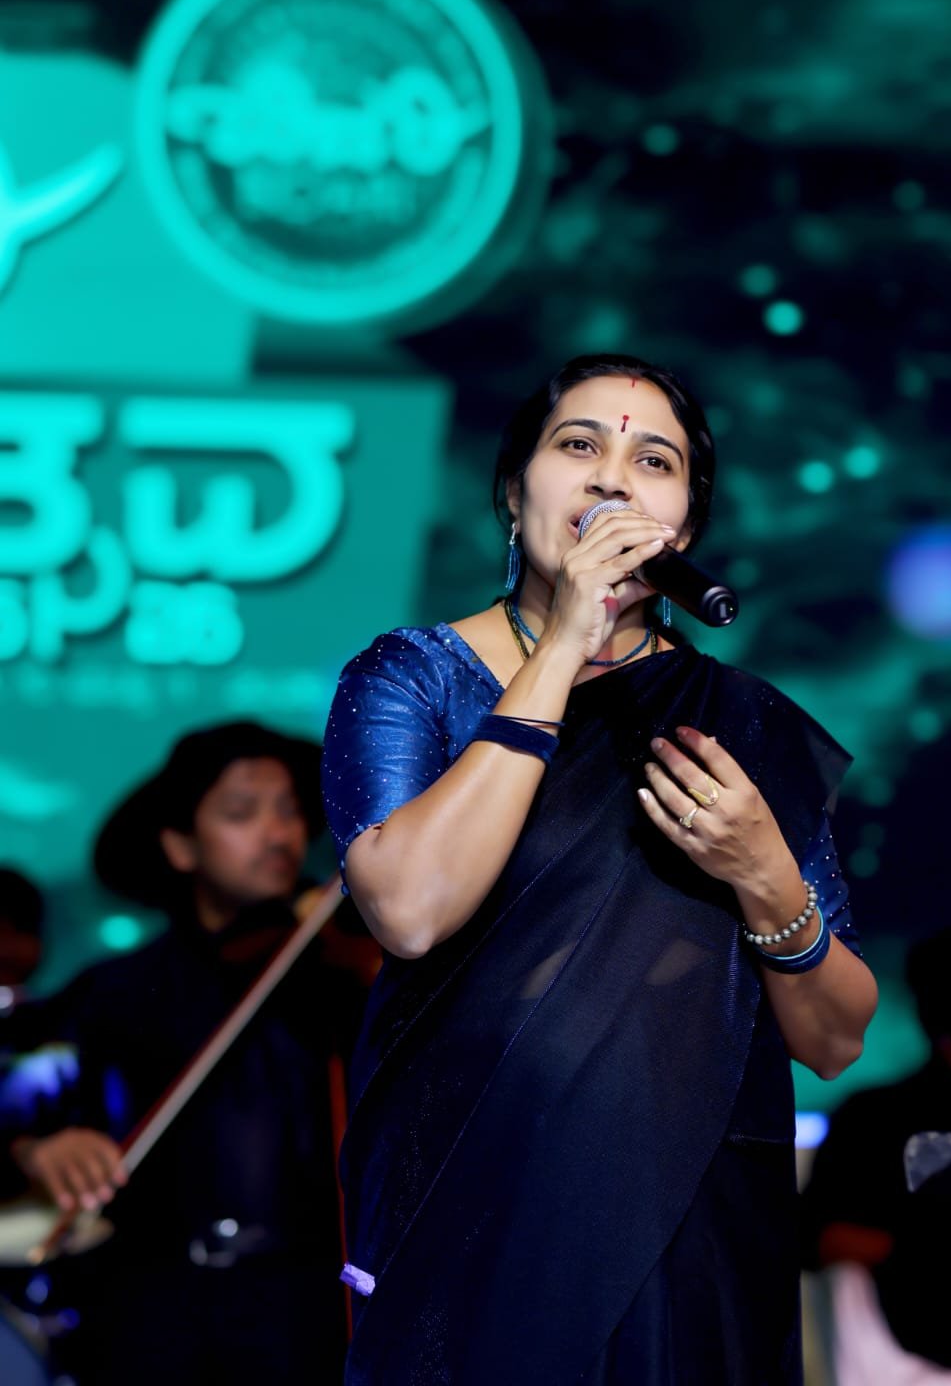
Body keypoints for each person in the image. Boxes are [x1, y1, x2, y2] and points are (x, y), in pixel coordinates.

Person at [323, 353, 878, 1385]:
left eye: (653, 461)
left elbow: (835, 1037)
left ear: (684, 527)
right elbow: (408, 910)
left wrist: (765, 873)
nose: (612, 479)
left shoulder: (741, 724)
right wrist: (563, 645)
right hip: (477, 1209)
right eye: (578, 445)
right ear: (511, 492)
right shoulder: (411, 678)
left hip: (688, 1224)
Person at [9, 720, 378, 1386]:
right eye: (242, 813)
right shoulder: (113, 991)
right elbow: (13, 1086)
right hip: (149, 1316)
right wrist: (37, 1146)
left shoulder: (342, 968)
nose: (279, 834)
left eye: (290, 811)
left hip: (308, 1312)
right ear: (180, 846)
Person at [801, 922, 951, 1384]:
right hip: (912, 1359)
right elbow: (818, 1236)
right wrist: (937, 1248)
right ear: (931, 1026)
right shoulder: (875, 1120)